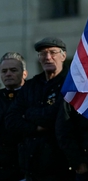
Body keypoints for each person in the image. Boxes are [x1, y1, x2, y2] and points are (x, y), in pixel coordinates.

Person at [6, 37, 72, 181]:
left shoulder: (71, 84)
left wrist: (28, 113)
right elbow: (11, 120)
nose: (47, 57)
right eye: (43, 54)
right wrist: (36, 128)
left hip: (62, 168)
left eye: (53, 52)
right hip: (31, 169)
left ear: (63, 56)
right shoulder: (31, 86)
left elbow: (56, 117)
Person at [0, 52, 28, 181]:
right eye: (4, 71)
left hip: (29, 167)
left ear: (24, 74)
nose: (8, 74)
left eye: (13, 70)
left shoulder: (33, 95)